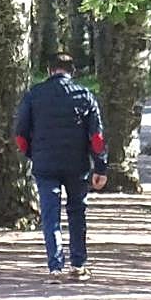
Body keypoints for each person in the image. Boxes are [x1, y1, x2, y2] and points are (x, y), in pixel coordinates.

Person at [14, 52, 108, 280]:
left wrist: (32, 154)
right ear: (72, 71)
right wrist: (100, 167)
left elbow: (20, 134)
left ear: (49, 71)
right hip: (77, 165)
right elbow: (96, 136)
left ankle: (55, 265)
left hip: (45, 164)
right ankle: (78, 264)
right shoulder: (84, 95)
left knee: (50, 214)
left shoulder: (34, 95)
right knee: (77, 212)